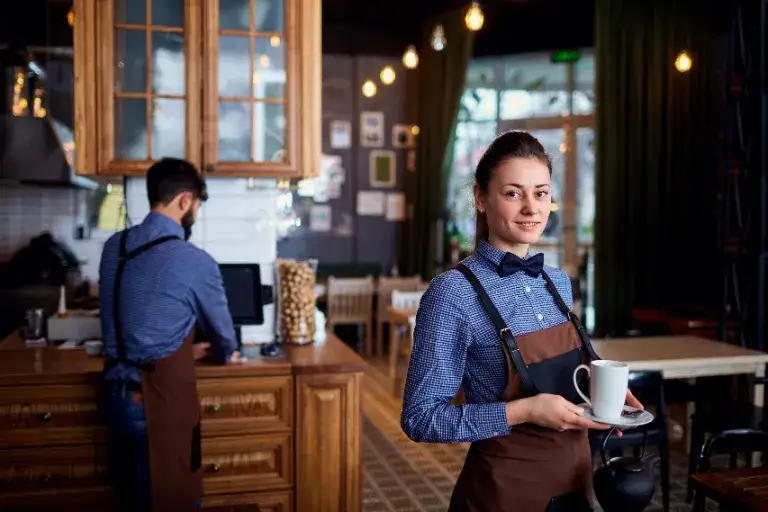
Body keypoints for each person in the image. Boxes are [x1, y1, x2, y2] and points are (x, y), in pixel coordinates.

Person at [400, 131, 643, 511]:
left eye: (541, 193)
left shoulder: (558, 282)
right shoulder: (453, 294)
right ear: (481, 197)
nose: (531, 208)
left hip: (576, 488)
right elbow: (421, 418)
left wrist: (602, 393)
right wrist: (523, 411)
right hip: (502, 494)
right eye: (513, 193)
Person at [99, 158, 240, 511]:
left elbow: (130, 330)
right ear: (184, 201)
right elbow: (225, 340)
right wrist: (223, 354)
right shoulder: (193, 260)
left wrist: (178, 350)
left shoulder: (114, 247)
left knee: (131, 501)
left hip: (116, 399)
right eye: (196, 205)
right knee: (176, 500)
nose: (195, 213)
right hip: (158, 406)